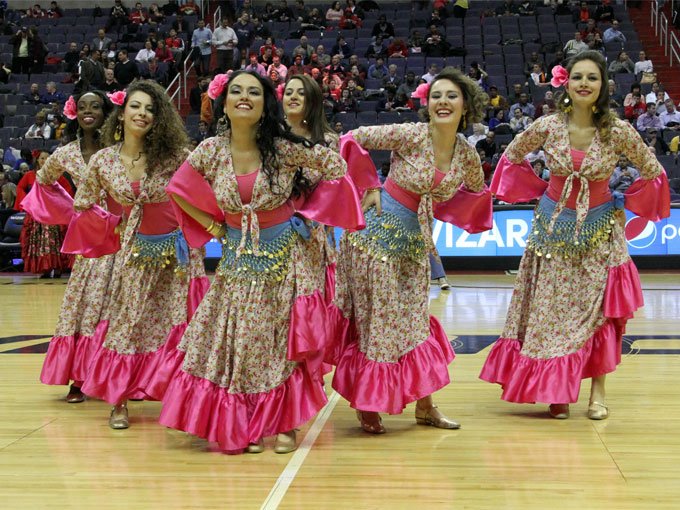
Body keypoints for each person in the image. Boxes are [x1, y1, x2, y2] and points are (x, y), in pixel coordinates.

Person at [154, 70, 363, 454]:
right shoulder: (211, 150)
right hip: (236, 257)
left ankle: (286, 423)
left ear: (267, 104)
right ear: (225, 103)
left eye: (254, 92)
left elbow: (336, 169)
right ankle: (244, 421)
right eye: (236, 91)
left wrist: (308, 209)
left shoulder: (284, 148)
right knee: (242, 339)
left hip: (286, 256)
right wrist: (212, 225)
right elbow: (177, 188)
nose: (244, 97)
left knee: (281, 339)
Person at [480, 51, 670, 420]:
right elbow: (511, 158)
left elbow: (654, 171)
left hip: (600, 234)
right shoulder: (548, 126)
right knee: (550, 313)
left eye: (592, 78)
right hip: (552, 233)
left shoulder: (618, 131)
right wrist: (539, 191)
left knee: (597, 315)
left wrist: (623, 200)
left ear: (603, 87)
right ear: (566, 84)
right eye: (578, 76)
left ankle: (597, 393)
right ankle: (557, 390)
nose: (584, 83)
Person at [329, 67, 492, 434]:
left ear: (466, 105)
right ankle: (368, 404)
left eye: (451, 95)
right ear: (427, 104)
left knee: (417, 327)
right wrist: (370, 183)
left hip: (414, 248)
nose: (442, 102)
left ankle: (425, 407)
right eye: (436, 96)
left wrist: (435, 217)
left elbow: (477, 196)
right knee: (380, 326)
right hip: (374, 242)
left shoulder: (467, 155)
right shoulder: (411, 135)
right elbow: (352, 139)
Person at [60, 80, 209, 429]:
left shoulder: (176, 157)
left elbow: (203, 194)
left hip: (177, 257)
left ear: (159, 119)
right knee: (128, 325)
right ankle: (119, 401)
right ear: (122, 112)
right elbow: (83, 204)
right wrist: (111, 228)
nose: (142, 113)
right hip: (132, 254)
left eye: (150, 109)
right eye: (136, 107)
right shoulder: (103, 161)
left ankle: (182, 403)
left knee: (180, 327)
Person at [21, 92, 116, 403]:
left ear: (107, 112)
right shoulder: (65, 153)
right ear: (75, 113)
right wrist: (70, 210)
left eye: (96, 106)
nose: (89, 111)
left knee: (122, 307)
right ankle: (79, 377)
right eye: (83, 107)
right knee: (85, 307)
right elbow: (43, 182)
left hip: (124, 235)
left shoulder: (119, 150)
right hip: (90, 242)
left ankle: (120, 377)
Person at [16, 149, 74, 278]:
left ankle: (59, 267)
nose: (45, 161)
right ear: (37, 160)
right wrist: (28, 202)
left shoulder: (58, 176)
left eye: (48, 158)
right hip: (37, 216)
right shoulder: (30, 175)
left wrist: (64, 207)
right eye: (42, 158)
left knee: (57, 240)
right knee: (40, 242)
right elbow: (20, 188)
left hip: (54, 215)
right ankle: (44, 268)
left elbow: (67, 191)